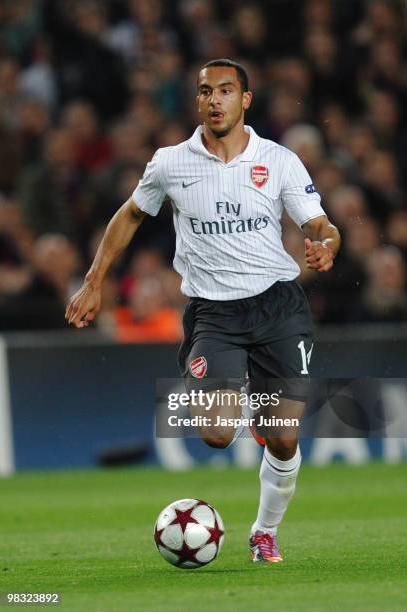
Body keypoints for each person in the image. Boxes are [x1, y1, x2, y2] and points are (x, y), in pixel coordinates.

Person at [66, 59, 341, 563]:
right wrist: (93, 280)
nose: (215, 100)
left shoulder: (278, 159)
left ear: (246, 100)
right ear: (197, 101)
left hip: (279, 307)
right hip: (214, 314)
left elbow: (321, 225)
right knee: (216, 433)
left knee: (283, 441)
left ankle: (263, 531)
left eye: (226, 91)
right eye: (205, 91)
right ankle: (247, 404)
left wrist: (327, 244)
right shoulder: (171, 162)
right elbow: (129, 215)